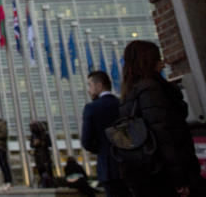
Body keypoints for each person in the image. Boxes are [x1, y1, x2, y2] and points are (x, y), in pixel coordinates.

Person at [117, 40, 206, 197]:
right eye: (158, 58)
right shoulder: (151, 89)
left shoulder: (129, 94)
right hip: (165, 174)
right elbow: (164, 136)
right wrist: (180, 179)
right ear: (148, 61)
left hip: (147, 174)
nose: (162, 63)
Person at [81, 69, 128, 197]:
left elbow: (86, 142)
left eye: (90, 85)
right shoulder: (123, 103)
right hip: (131, 164)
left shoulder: (91, 108)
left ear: (99, 85)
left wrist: (103, 149)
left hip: (109, 168)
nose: (89, 90)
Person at [29, 120, 55, 188]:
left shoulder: (45, 134)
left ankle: (50, 183)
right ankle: (44, 182)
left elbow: (49, 144)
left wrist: (41, 142)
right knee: (40, 168)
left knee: (48, 169)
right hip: (37, 154)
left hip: (45, 154)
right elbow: (31, 145)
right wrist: (34, 144)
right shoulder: (33, 136)